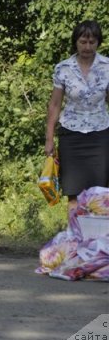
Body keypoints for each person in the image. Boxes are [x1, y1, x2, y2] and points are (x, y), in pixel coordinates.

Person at [45, 20, 109, 215]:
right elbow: (55, 105)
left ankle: (99, 241)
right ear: (76, 42)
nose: (87, 47)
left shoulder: (107, 66)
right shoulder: (63, 68)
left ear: (98, 43)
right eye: (83, 42)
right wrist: (49, 139)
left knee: (100, 193)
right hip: (71, 136)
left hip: (100, 134)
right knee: (73, 193)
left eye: (92, 42)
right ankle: (74, 239)